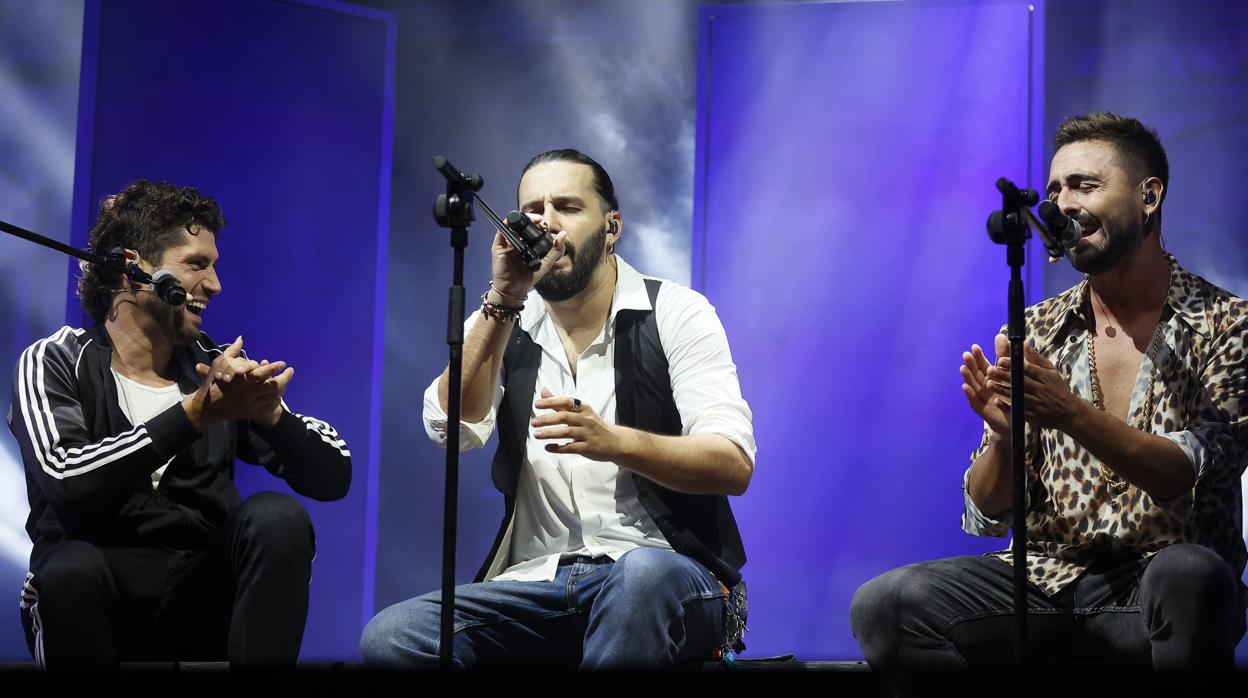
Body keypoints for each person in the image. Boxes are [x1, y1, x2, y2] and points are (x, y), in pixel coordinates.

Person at [850, 112, 1247, 669]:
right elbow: (987, 512)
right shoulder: (1035, 329)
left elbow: (1191, 473)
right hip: (1044, 583)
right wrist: (1004, 441)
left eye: (1086, 185)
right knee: (884, 606)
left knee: (1192, 574)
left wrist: (1069, 412)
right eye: (1056, 189)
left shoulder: (1227, 325)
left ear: (1149, 196)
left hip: (1155, 588)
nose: (1063, 204)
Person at [360, 149, 755, 669]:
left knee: (641, 577)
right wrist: (503, 297)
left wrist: (615, 441)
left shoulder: (677, 313)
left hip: (669, 576)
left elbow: (732, 464)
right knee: (393, 636)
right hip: (537, 585)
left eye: (567, 206)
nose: (545, 221)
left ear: (611, 227)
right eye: (534, 208)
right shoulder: (504, 321)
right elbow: (451, 428)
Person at [8, 180, 352, 669]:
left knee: (278, 519)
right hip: (94, 598)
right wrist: (192, 415)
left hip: (202, 597)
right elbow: (68, 479)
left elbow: (334, 475)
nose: (214, 285)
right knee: (71, 569)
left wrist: (270, 415)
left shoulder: (214, 370)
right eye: (196, 264)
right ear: (133, 268)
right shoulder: (54, 360)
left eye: (213, 266)